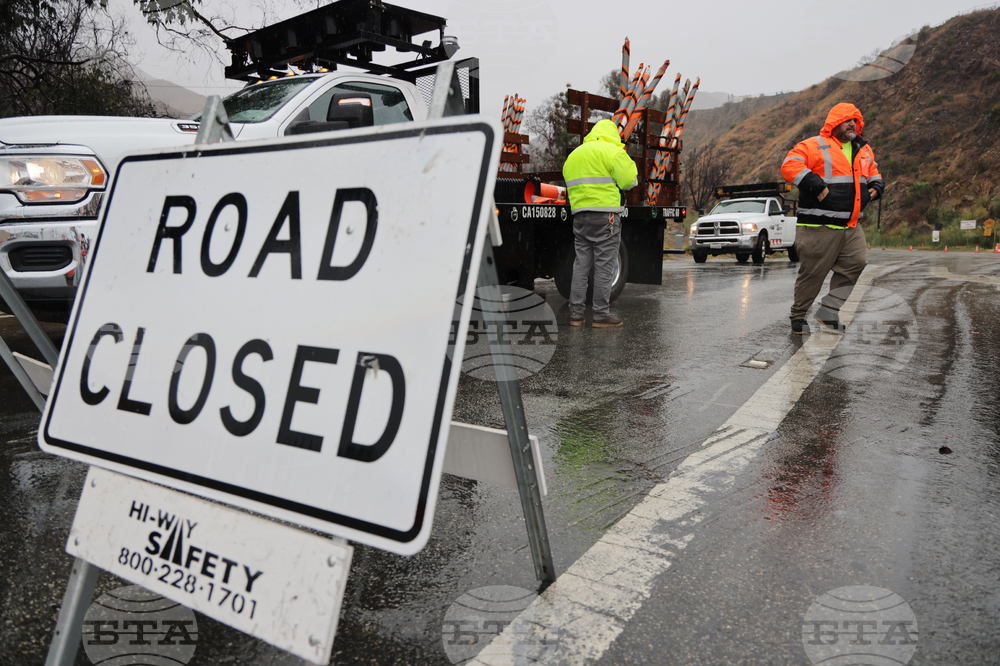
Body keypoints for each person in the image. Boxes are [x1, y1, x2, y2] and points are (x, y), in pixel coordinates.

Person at [781, 103, 884, 335]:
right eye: (847, 120)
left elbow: (873, 171)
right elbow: (789, 165)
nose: (852, 124)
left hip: (850, 225)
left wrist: (876, 186)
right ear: (834, 122)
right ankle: (798, 317)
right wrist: (815, 184)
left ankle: (829, 311)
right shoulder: (813, 144)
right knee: (813, 274)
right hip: (818, 226)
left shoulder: (863, 148)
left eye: (856, 120)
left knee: (856, 264)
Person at [562, 119, 638, 328]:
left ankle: (576, 315)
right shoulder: (613, 151)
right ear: (612, 134)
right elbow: (630, 181)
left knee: (581, 266)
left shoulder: (575, 155)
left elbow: (569, 179)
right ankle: (601, 315)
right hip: (606, 217)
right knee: (604, 267)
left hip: (580, 216)